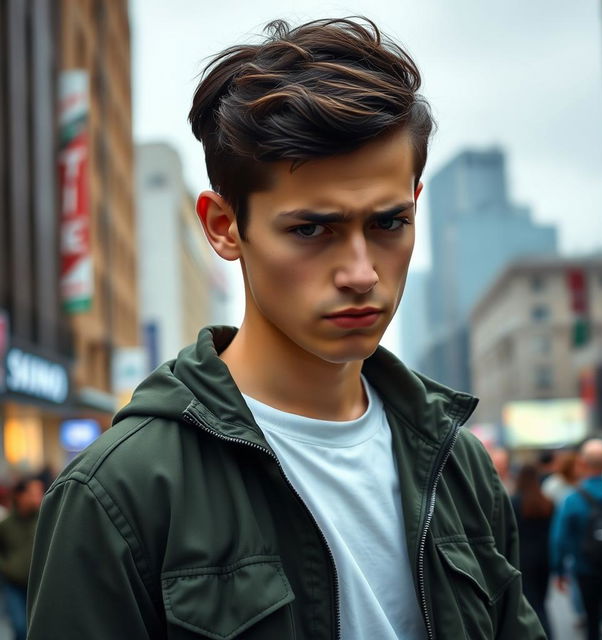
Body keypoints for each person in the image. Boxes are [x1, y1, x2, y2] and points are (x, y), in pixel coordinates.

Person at [27, 17, 545, 639]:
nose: (360, 273)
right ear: (223, 227)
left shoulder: (459, 464)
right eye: (310, 229)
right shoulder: (120, 493)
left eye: (388, 223)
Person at [551, 438, 602, 640]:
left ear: (582, 463)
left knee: (592, 618)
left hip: (585, 566)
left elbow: (559, 537)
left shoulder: (572, 499)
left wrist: (559, 570)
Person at [511, 464, 554, 639]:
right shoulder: (547, 502)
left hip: (523, 558)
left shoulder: (514, 502)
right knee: (542, 601)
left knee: (531, 602)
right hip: (544, 557)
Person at [0, 477, 44, 640]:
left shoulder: (44, 519)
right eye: (33, 493)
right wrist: (7, 567)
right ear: (20, 496)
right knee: (19, 626)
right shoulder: (6, 525)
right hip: (14, 584)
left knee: (38, 625)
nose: (38, 497)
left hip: (39, 583)